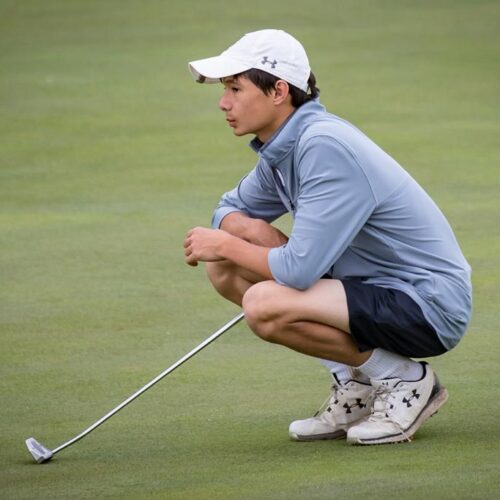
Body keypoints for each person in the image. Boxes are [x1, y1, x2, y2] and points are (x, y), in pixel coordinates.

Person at [183, 29, 472, 445]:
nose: (223, 102)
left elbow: (298, 272)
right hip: (367, 292)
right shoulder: (283, 147)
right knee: (226, 270)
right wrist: (244, 231)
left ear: (279, 91)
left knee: (262, 303)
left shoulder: (324, 144)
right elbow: (228, 209)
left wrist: (227, 242)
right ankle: (355, 383)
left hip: (427, 303)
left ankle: (405, 379)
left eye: (235, 88)